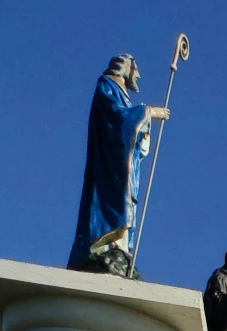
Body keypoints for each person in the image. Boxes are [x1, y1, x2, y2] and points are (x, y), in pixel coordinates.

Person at [69, 54, 169, 278]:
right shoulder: (106, 86)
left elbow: (128, 125)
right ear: (125, 68)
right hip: (110, 168)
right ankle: (105, 248)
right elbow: (116, 119)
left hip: (126, 168)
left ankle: (120, 250)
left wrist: (143, 126)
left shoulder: (120, 93)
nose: (139, 75)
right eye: (136, 70)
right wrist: (149, 112)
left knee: (128, 203)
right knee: (114, 203)